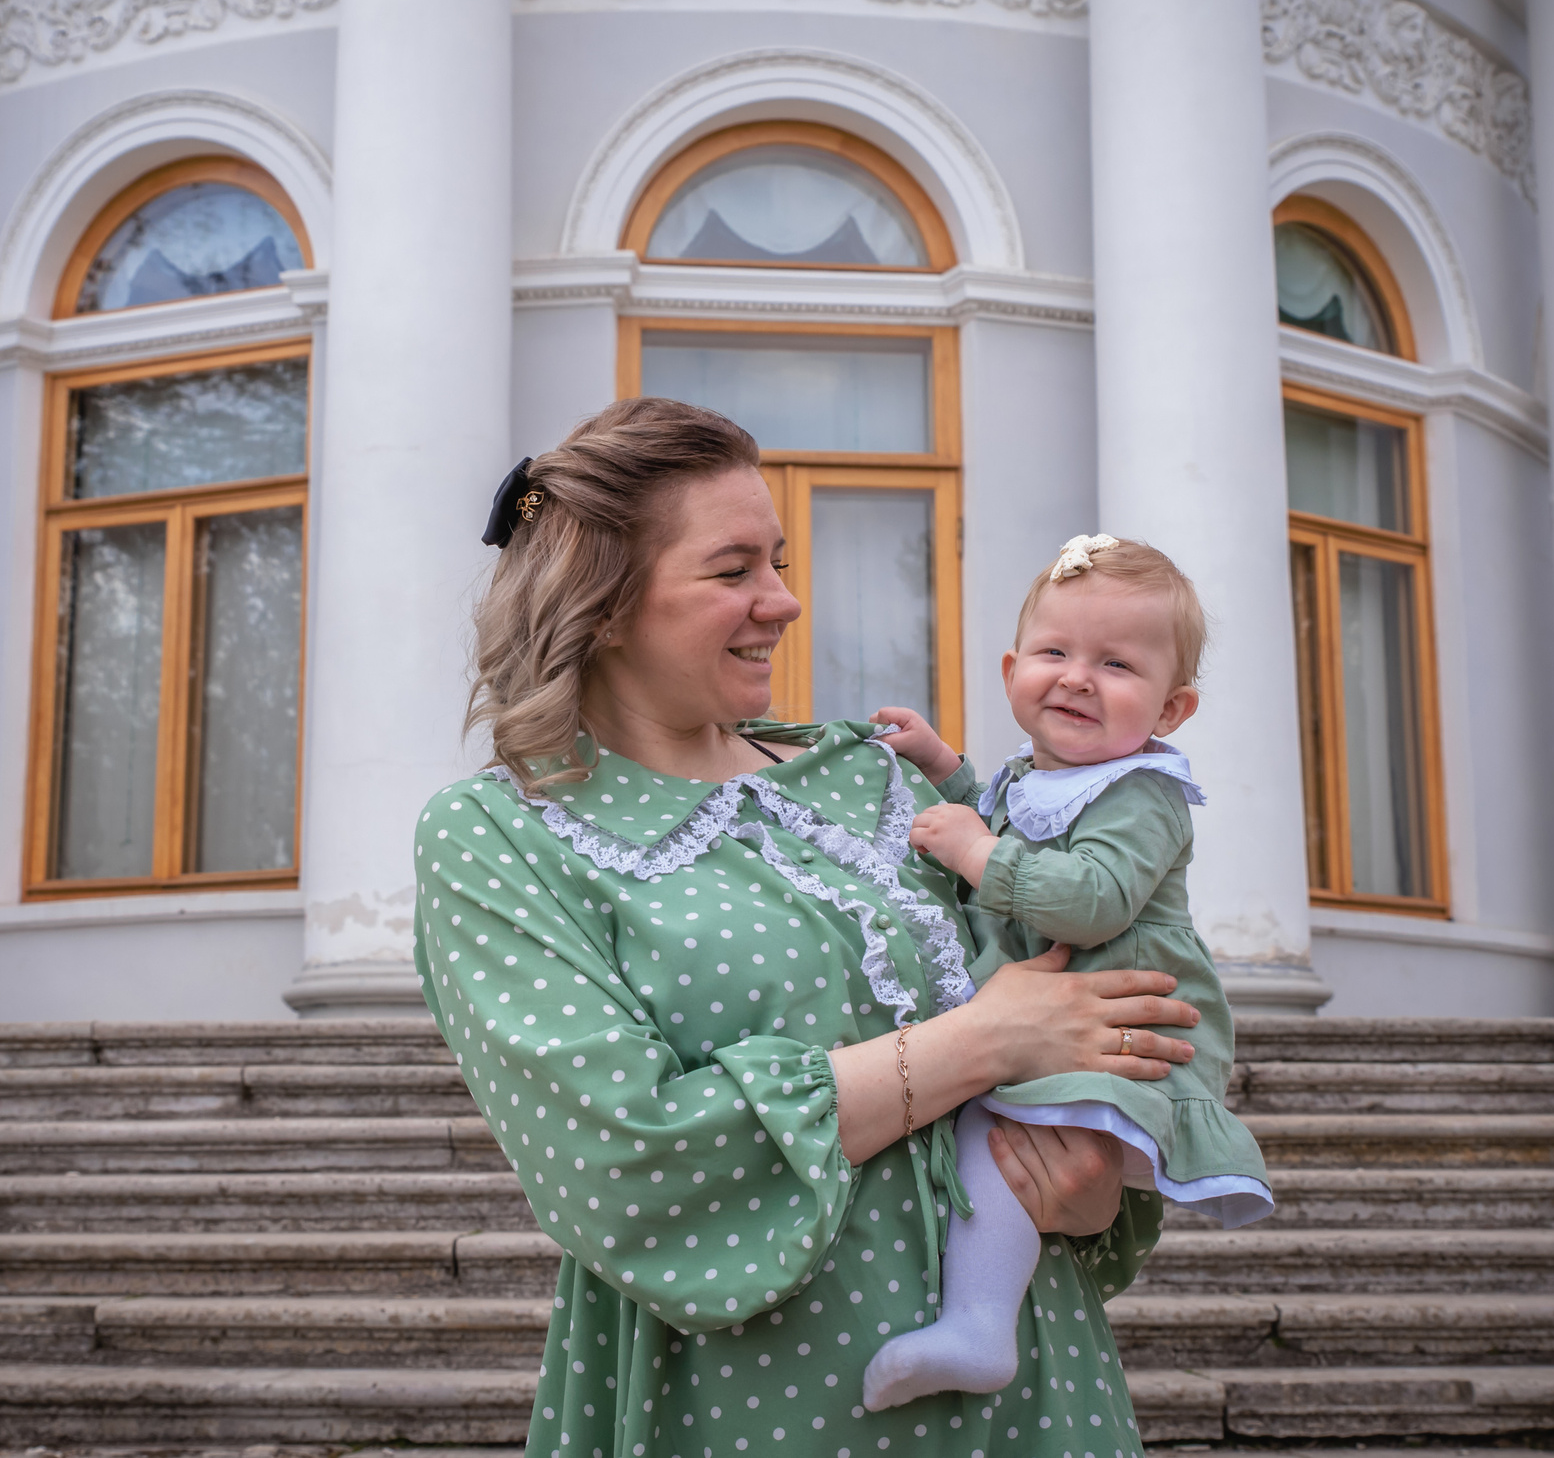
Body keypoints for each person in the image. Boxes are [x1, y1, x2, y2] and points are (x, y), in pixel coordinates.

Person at [412, 399, 1203, 1458]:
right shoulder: (500, 836)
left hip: (1033, 1392)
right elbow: (624, 1158)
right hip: (755, 1403)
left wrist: (1092, 1174)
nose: (782, 601)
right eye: (734, 569)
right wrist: (984, 1044)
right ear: (601, 606)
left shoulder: (864, 775)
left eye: (777, 562)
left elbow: (1072, 991)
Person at [860, 535, 1272, 1412]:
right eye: (1055, 652)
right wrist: (943, 768)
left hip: (1122, 1036)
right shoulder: (1039, 776)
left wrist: (974, 851)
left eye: (1117, 663)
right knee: (991, 1139)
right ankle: (977, 1316)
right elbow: (1010, 817)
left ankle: (979, 1324)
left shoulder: (1143, 792)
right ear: (1013, 668)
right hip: (1061, 1025)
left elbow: (1092, 899)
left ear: (1174, 706)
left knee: (991, 1140)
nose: (1078, 677)